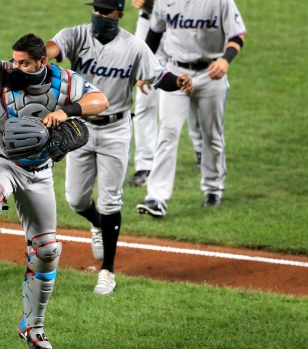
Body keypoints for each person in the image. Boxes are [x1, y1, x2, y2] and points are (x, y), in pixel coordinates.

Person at [0, 33, 109, 349]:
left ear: (42, 61)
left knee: (47, 252)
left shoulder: (66, 81)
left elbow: (101, 100)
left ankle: (33, 327)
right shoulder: (2, 74)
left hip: (39, 173)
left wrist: (67, 110)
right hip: (2, 161)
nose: (17, 67)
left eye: (24, 62)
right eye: (15, 60)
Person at [46, 0, 193, 294]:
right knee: (76, 199)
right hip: (80, 127)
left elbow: (159, 75)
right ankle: (99, 224)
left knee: (111, 200)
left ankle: (107, 272)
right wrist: (40, 54)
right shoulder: (76, 35)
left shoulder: (134, 46)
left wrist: (178, 81)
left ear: (119, 15)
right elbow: (54, 48)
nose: (99, 15)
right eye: (96, 9)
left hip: (116, 130)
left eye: (105, 11)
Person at [136, 0, 246, 217]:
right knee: (167, 133)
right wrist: (146, 69)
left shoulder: (221, 2)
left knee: (211, 135)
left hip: (210, 73)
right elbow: (155, 33)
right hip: (176, 73)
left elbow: (237, 36)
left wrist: (225, 60)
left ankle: (213, 188)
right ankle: (156, 198)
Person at [128, 0, 203, 187]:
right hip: (148, 25)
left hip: (183, 24)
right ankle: (145, 164)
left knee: (190, 86)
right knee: (145, 99)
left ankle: (202, 149)